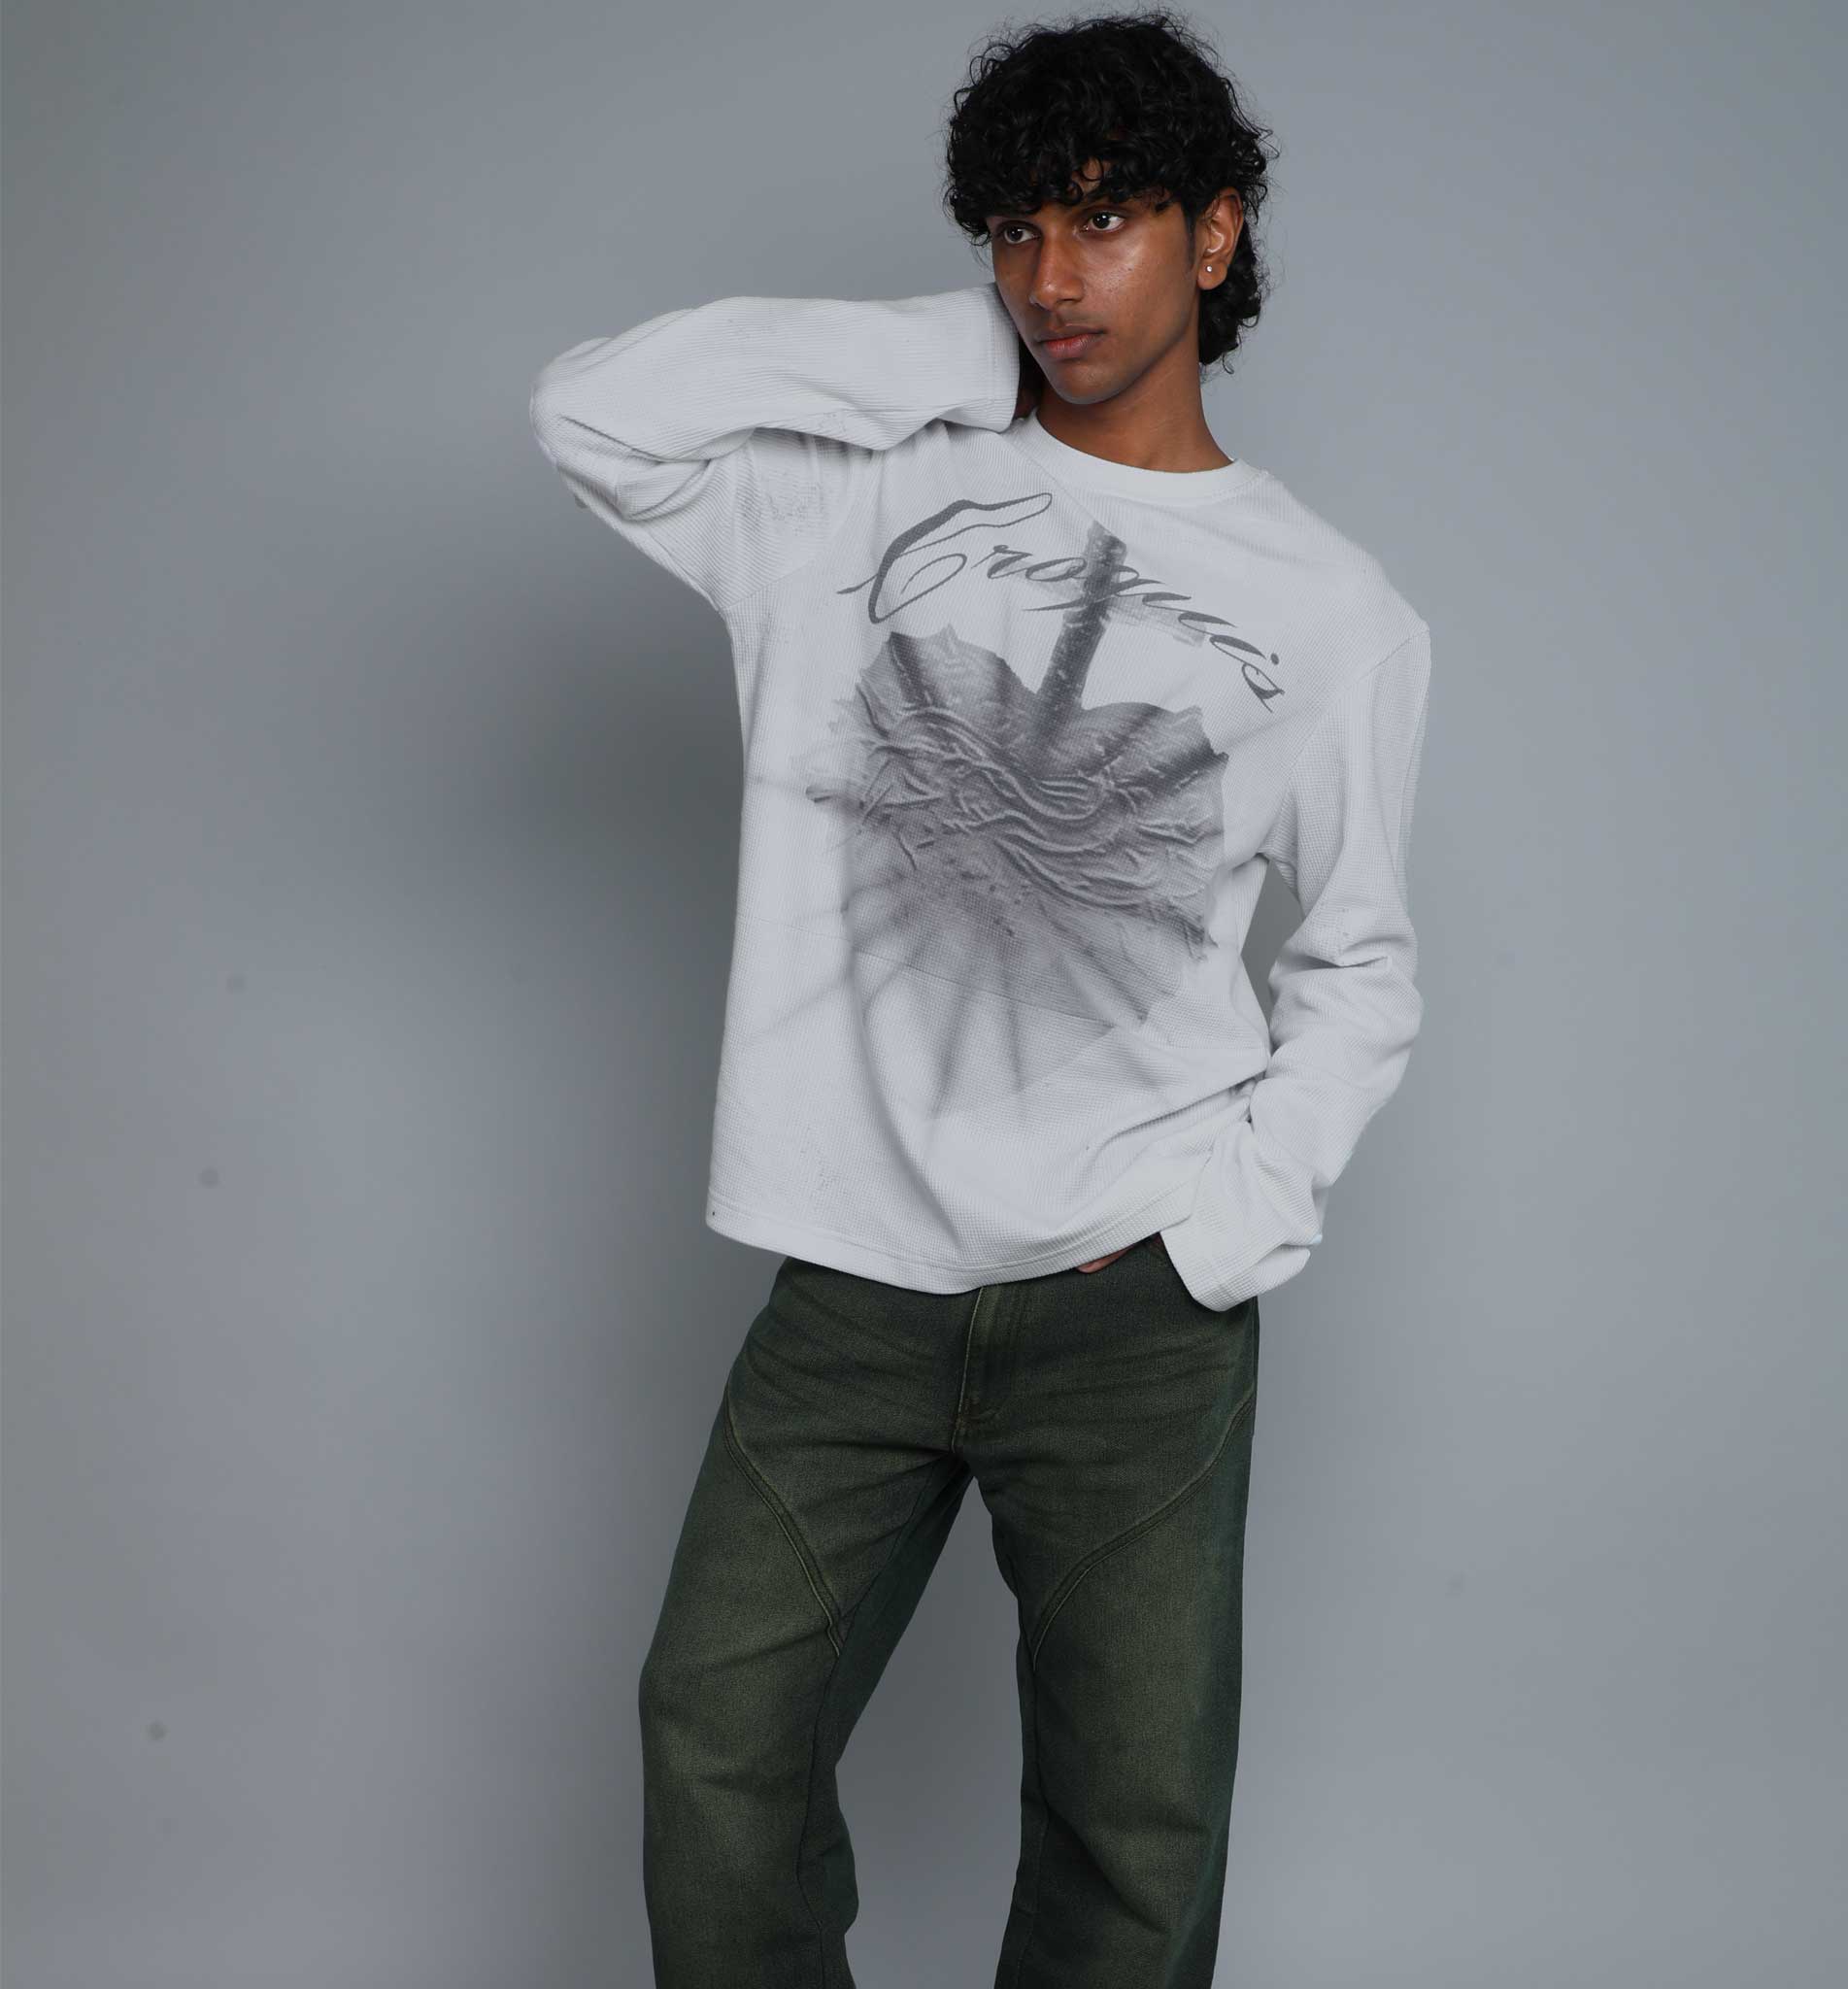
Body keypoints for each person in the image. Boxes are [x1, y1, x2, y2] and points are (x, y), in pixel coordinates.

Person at [527, 11, 1431, 1983]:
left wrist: (1227, 1223)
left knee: (1134, 1843)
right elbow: (593, 412)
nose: (1050, 274)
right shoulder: (845, 500)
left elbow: (1359, 959)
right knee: (717, 1739)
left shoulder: (1333, 612)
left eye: (1104, 220)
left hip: (1133, 1303)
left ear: (1215, 232)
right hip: (852, 1290)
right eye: (1016, 229)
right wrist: (943, 353)